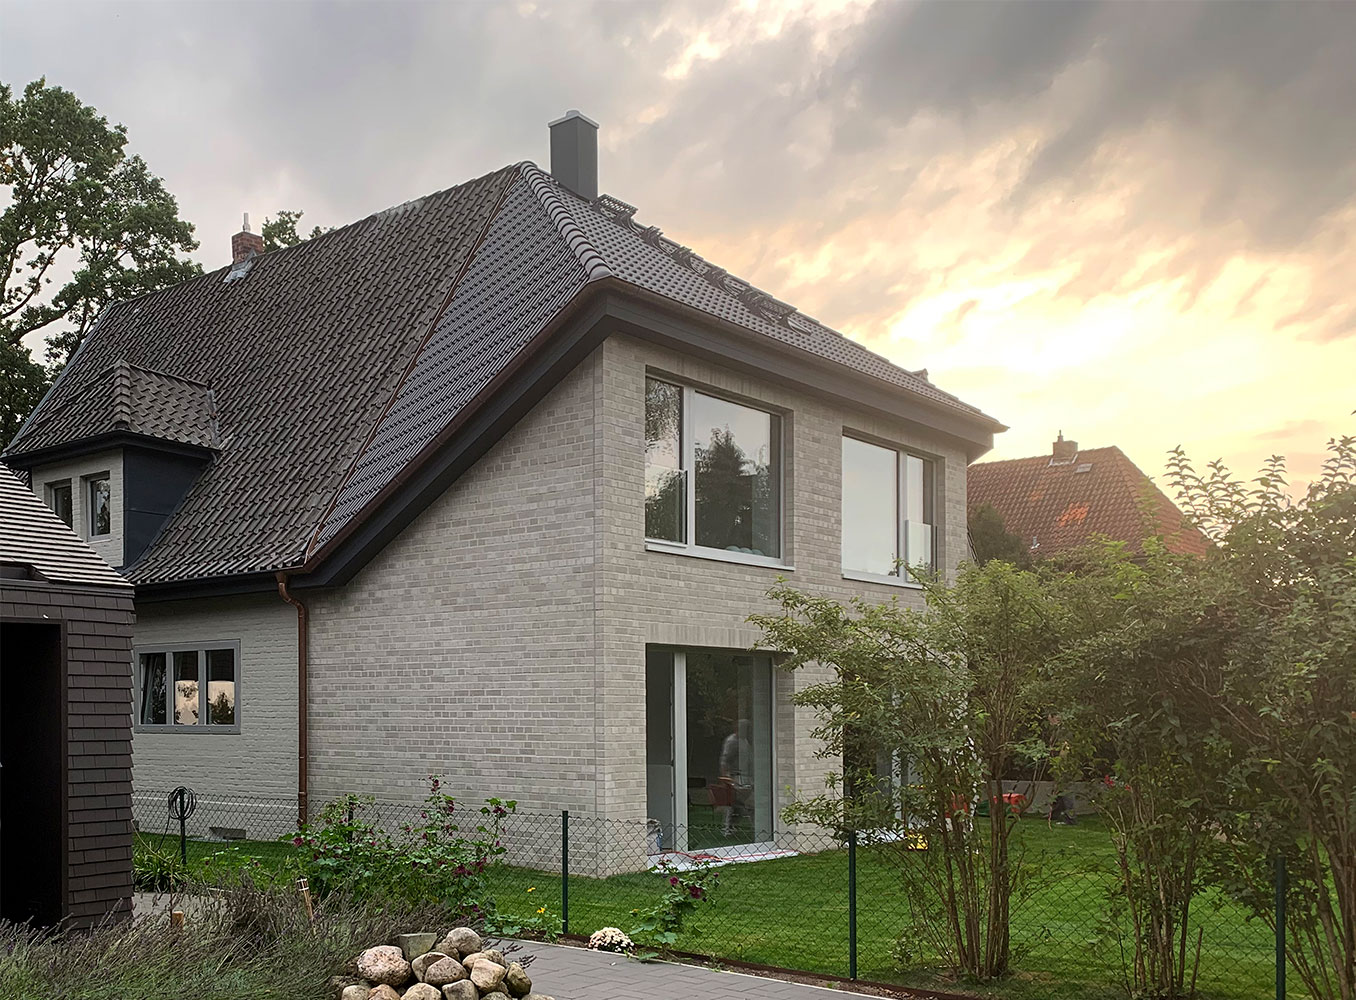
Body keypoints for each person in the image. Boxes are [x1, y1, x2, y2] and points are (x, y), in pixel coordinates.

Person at [718, 719, 753, 836]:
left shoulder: (744, 741)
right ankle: (727, 828)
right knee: (736, 803)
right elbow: (725, 760)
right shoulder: (732, 741)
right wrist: (726, 778)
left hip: (745, 776)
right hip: (735, 776)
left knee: (739, 804)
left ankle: (731, 827)